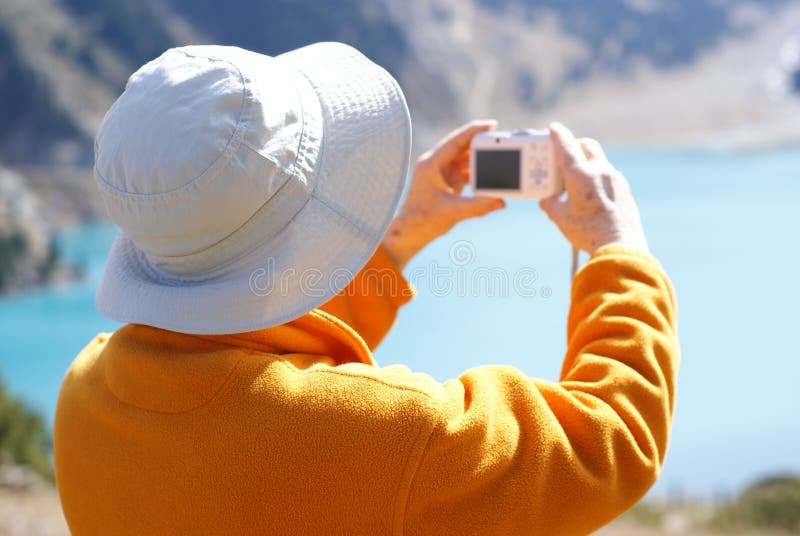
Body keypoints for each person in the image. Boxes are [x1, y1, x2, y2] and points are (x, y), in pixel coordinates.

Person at [54, 43, 679, 536]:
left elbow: (250, 353)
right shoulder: (398, 441)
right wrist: (615, 247)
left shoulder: (85, 396)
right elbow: (606, 443)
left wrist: (400, 235)